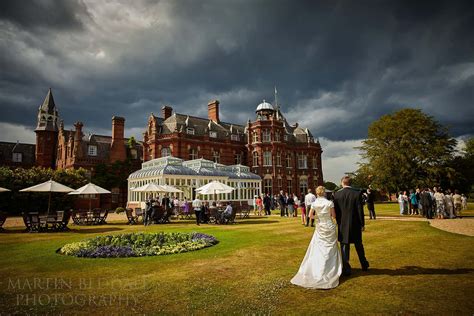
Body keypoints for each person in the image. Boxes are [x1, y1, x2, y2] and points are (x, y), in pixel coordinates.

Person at [291, 186, 342, 289]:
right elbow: (334, 216)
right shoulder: (329, 203)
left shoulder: (314, 204)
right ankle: (330, 269)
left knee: (318, 248)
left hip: (320, 226)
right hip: (328, 225)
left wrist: (318, 217)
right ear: (324, 193)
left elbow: (310, 216)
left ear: (317, 193)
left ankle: (319, 268)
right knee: (330, 248)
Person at [334, 176, 369, 276]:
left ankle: (346, 268)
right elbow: (360, 210)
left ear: (342, 183)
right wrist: (362, 223)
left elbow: (336, 211)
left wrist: (338, 222)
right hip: (355, 223)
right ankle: (364, 264)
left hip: (343, 224)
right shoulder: (357, 193)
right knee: (359, 244)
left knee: (345, 246)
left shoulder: (337, 194)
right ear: (350, 183)